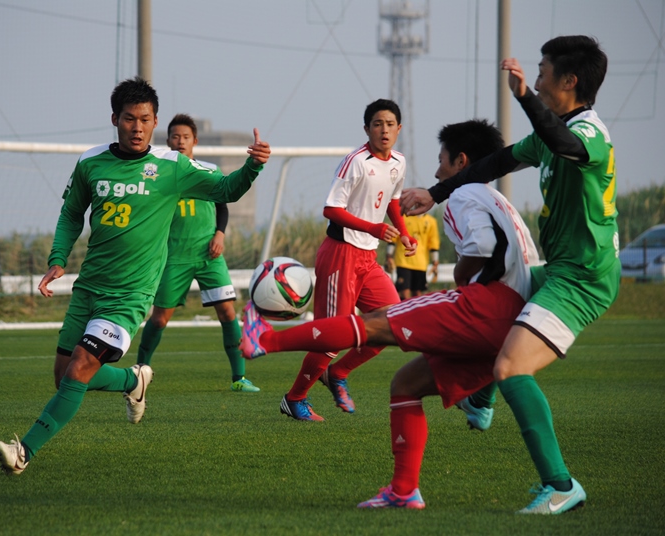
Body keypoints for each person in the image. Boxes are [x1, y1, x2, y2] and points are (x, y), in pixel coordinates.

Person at [241, 119, 539, 512]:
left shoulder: (465, 194)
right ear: (367, 127)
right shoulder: (501, 202)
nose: (436, 171)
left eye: (441, 160)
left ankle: (265, 341)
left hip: (484, 305)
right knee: (406, 382)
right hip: (515, 320)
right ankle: (406, 488)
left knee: (373, 324)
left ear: (461, 161)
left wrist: (463, 278)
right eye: (378, 123)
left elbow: (479, 250)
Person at [0, 77, 271, 475]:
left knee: (80, 367)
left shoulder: (172, 166)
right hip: (89, 287)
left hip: (131, 293)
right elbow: (71, 214)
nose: (137, 128)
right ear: (114, 119)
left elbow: (227, 189)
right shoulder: (90, 162)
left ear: (155, 121)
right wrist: (58, 258)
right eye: (128, 119)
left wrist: (254, 165)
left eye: (144, 119)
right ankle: (132, 381)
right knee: (63, 376)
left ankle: (23, 452)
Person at [401, 35, 619, 514]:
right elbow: (498, 162)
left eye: (542, 73)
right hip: (558, 271)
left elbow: (563, 144)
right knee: (495, 298)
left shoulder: (588, 134)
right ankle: (480, 399)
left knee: (512, 367)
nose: (536, 82)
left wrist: (522, 98)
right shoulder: (553, 134)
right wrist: (434, 194)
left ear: (569, 81)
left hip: (583, 279)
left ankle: (560, 485)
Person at [256, 98, 416, 422]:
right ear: (366, 129)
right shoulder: (355, 162)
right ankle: (294, 398)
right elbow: (331, 209)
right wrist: (372, 227)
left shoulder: (399, 162)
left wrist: (404, 233)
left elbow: (392, 201)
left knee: (393, 324)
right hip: (340, 255)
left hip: (368, 258)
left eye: (389, 124)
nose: (384, 130)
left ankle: (337, 373)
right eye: (377, 124)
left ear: (399, 128)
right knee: (331, 337)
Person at [136, 113, 259, 393]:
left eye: (186, 137)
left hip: (208, 256)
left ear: (195, 141)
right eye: (175, 137)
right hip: (174, 258)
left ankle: (239, 378)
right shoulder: (157, 174)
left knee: (228, 313)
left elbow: (222, 203)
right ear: (168, 141)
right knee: (159, 319)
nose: (180, 141)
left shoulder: (209, 170)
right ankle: (140, 371)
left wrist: (220, 234)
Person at [384, 213, 440, 300]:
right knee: (404, 292)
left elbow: (433, 244)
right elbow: (393, 238)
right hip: (403, 261)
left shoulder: (431, 221)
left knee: (417, 294)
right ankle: (402, 309)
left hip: (421, 264)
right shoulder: (403, 217)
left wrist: (435, 262)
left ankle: (416, 309)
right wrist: (389, 256)